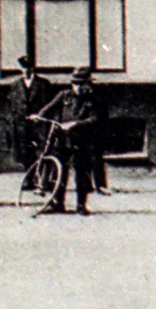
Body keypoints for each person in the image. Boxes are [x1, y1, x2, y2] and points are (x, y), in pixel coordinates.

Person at [44, 67, 108, 214]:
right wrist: (37, 116)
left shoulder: (94, 100)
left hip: (82, 142)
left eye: (81, 84)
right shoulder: (64, 95)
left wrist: (75, 124)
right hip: (63, 141)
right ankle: (57, 203)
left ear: (88, 84)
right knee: (58, 172)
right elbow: (49, 108)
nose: (78, 87)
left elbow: (95, 119)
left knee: (82, 174)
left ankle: (81, 205)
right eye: (75, 83)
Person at [5, 55, 58, 170]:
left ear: (32, 68)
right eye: (23, 68)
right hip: (21, 123)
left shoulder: (43, 84)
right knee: (24, 151)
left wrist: (41, 116)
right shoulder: (15, 85)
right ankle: (28, 173)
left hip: (38, 123)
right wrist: (12, 118)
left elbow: (49, 103)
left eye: (28, 68)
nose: (26, 71)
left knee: (41, 150)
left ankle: (41, 174)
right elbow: (10, 104)